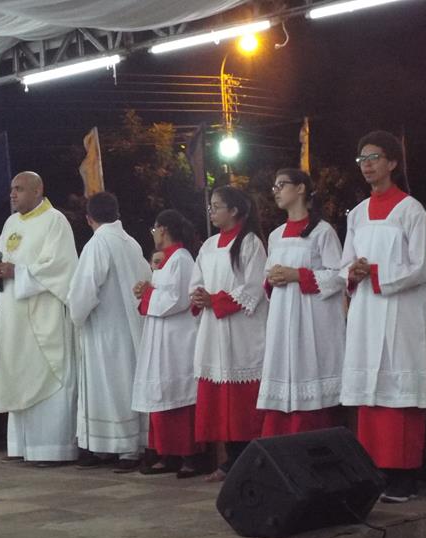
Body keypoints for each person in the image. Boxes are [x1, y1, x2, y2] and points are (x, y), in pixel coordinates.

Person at [341, 130, 426, 503]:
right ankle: (375, 469)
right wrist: (352, 272)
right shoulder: (357, 214)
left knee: (399, 390)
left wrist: (376, 273)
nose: (367, 165)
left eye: (374, 157)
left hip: (400, 312)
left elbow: (421, 267)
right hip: (366, 310)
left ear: (393, 162)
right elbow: (345, 262)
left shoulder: (410, 210)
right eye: (362, 159)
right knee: (372, 391)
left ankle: (404, 474)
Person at [0, 171, 78, 465]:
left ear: (38, 190)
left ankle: (51, 448)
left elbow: (60, 266)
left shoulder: (55, 221)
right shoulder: (11, 222)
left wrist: (17, 272)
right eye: (11, 189)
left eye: (19, 189)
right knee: (18, 372)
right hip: (13, 315)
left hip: (42, 313)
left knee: (45, 375)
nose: (12, 194)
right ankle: (21, 446)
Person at [67, 191, 152, 472]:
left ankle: (121, 448)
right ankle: (127, 446)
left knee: (109, 386)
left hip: (105, 330)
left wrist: (75, 314)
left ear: (89, 218)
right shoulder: (132, 243)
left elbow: (84, 289)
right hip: (132, 328)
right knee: (125, 384)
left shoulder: (97, 244)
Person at [258, 170, 345, 436]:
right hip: (282, 316)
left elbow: (337, 276)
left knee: (308, 373)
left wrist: (298, 275)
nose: (276, 191)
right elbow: (267, 276)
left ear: (300, 189)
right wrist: (271, 279)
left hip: (311, 319)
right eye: (274, 186)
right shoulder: (275, 235)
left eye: (281, 185)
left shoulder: (322, 231)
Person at [190, 187, 268, 482]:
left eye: (217, 206)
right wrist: (199, 296)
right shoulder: (209, 245)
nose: (211, 211)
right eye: (211, 206)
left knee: (242, 404)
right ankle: (229, 460)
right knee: (222, 403)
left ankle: (247, 460)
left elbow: (253, 288)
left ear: (234, 210)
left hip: (242, 330)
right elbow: (196, 281)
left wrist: (217, 301)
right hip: (214, 330)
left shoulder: (250, 243)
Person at [132, 209, 202, 478]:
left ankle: (189, 456)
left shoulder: (181, 259)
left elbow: (177, 299)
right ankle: (166, 452)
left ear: (163, 229)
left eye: (154, 230)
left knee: (179, 396)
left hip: (176, 337)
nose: (154, 235)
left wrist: (149, 294)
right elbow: (160, 293)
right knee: (161, 394)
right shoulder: (165, 260)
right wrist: (146, 290)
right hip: (160, 335)